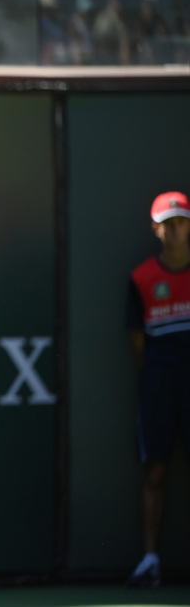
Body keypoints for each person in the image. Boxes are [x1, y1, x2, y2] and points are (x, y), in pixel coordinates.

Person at [124, 190, 190, 589]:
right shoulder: (142, 278)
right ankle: (151, 560)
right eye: (168, 224)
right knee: (156, 470)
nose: (176, 230)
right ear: (156, 229)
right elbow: (137, 341)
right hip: (159, 384)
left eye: (182, 222)